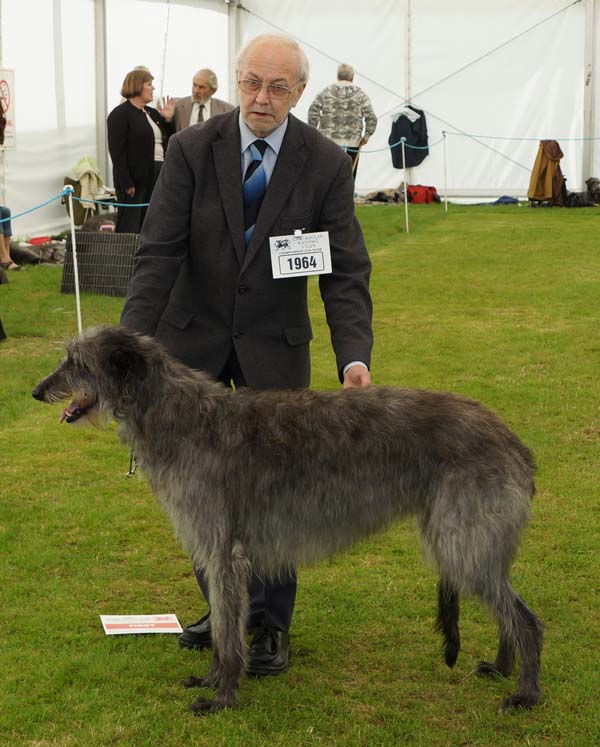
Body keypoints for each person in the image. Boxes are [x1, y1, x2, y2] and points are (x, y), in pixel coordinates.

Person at [120, 33, 373, 677]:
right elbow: (158, 253)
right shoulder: (190, 149)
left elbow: (343, 271)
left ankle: (268, 622)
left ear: (300, 92)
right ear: (237, 81)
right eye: (252, 83)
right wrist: (128, 346)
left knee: (276, 491)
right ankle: (222, 604)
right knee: (195, 486)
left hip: (274, 345)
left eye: (278, 87)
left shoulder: (322, 163)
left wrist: (353, 358)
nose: (261, 98)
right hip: (191, 340)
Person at [107, 69, 175, 233]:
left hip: (158, 173)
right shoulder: (120, 114)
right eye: (149, 84)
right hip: (135, 180)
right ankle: (128, 257)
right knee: (131, 224)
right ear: (137, 86)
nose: (153, 89)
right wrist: (126, 182)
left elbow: (169, 140)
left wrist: (168, 120)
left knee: (153, 221)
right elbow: (117, 151)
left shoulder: (153, 113)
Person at [308, 63, 377, 179]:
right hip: (353, 142)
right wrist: (366, 137)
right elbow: (371, 117)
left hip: (328, 141)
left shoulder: (326, 91)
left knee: (328, 176)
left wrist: (314, 131)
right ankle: (347, 197)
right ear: (352, 77)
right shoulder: (360, 94)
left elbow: (313, 110)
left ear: (337, 76)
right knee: (349, 176)